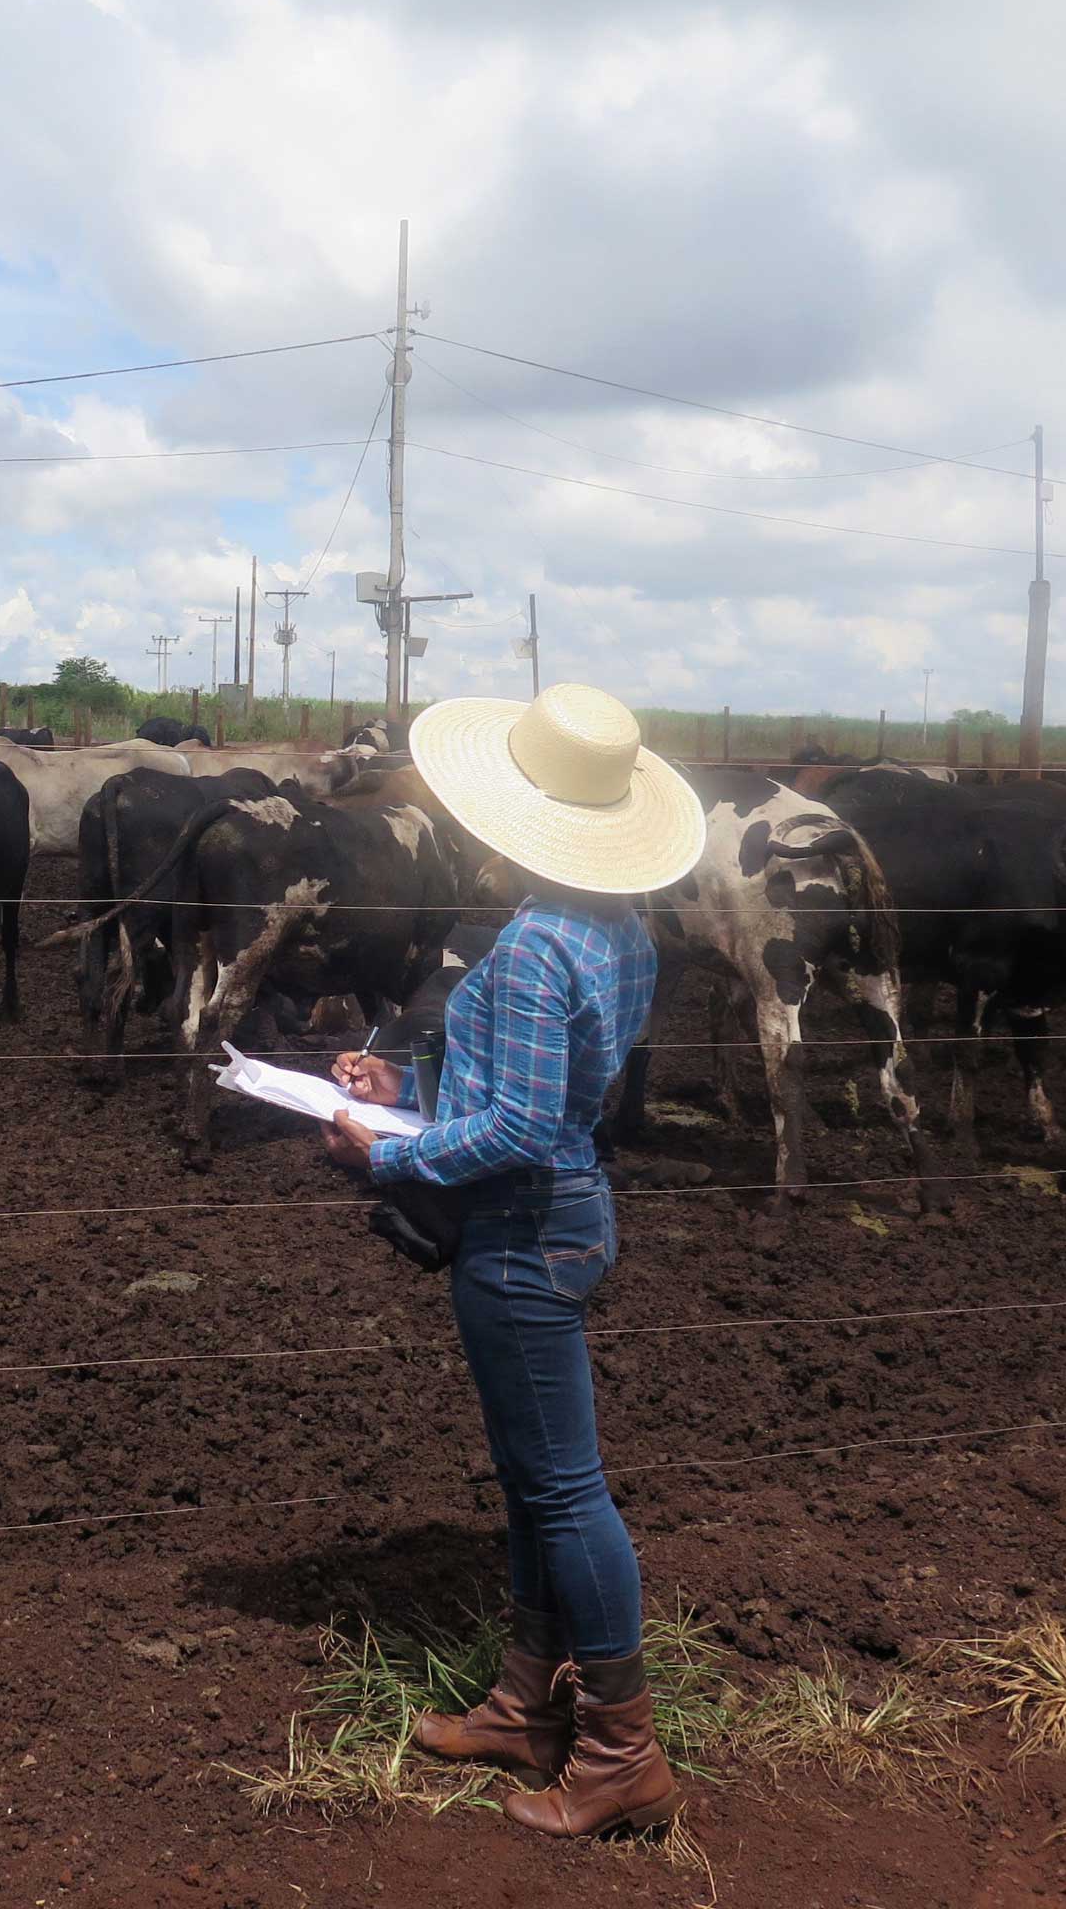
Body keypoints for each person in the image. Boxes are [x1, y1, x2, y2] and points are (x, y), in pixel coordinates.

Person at [319, 681, 705, 1840]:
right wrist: (414, 1090)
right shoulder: (617, 928)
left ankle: (619, 1754)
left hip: (522, 1228)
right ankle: (522, 1702)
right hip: (563, 1216)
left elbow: (521, 1129)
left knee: (564, 1488)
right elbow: (539, 1094)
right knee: (538, 1478)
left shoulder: (534, 946)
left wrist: (387, 1153)